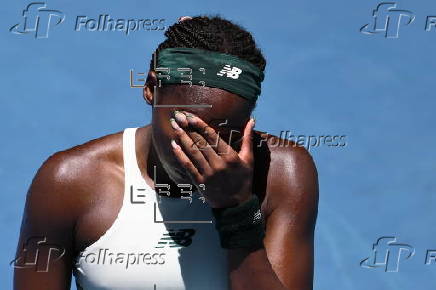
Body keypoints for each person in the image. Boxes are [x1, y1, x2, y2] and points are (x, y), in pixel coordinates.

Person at [13, 15, 319, 290]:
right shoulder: (68, 183)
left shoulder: (282, 174)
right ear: (150, 88)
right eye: (187, 127)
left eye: (227, 135)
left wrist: (237, 211)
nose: (202, 150)